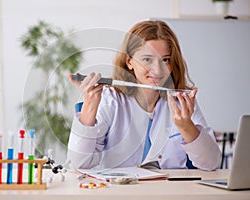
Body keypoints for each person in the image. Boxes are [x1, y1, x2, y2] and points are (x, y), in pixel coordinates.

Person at [67, 20, 221, 171]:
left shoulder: (182, 100)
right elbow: (79, 164)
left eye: (165, 60)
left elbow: (211, 163)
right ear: (129, 62)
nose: (158, 70)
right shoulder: (111, 100)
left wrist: (187, 127)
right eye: (147, 59)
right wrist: (89, 107)